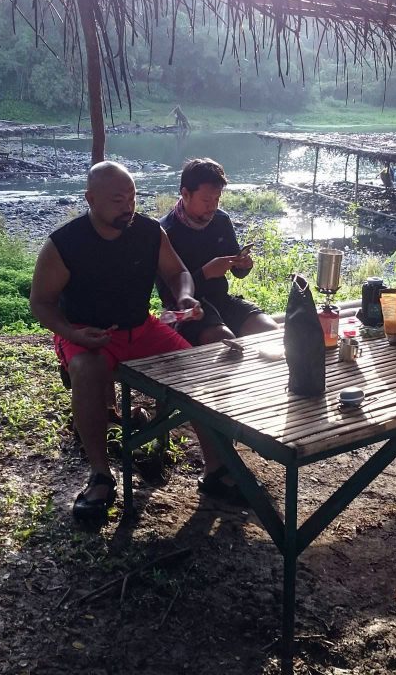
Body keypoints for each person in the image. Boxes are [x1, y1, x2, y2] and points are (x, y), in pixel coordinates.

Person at [30, 161, 242, 521]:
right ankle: (100, 475)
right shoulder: (65, 243)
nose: (127, 207)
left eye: (131, 198)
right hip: (86, 332)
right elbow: (41, 303)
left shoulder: (148, 232)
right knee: (87, 366)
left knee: (199, 367)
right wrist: (72, 334)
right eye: (117, 200)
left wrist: (185, 297)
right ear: (91, 199)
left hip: (141, 328)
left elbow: (177, 273)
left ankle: (216, 469)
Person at [159, 158, 278, 345]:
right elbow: (167, 295)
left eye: (217, 199)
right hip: (188, 312)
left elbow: (237, 271)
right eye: (206, 200)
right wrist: (205, 273)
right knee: (224, 342)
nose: (212, 206)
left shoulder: (221, 220)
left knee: (269, 331)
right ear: (185, 194)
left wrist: (244, 264)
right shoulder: (166, 231)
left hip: (221, 300)